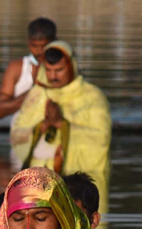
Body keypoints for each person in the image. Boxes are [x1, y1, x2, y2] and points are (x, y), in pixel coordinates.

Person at [10, 42, 112, 214]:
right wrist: (42, 126)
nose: (53, 76)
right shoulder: (37, 94)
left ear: (71, 67)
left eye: (59, 70)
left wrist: (61, 124)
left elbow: (101, 138)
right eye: (49, 70)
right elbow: (16, 135)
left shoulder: (92, 96)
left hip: (82, 185)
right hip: (40, 183)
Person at [0, 17, 56, 121]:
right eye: (34, 46)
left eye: (44, 46)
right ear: (28, 42)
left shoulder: (65, 68)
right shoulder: (17, 68)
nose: (39, 51)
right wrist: (36, 89)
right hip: (22, 134)